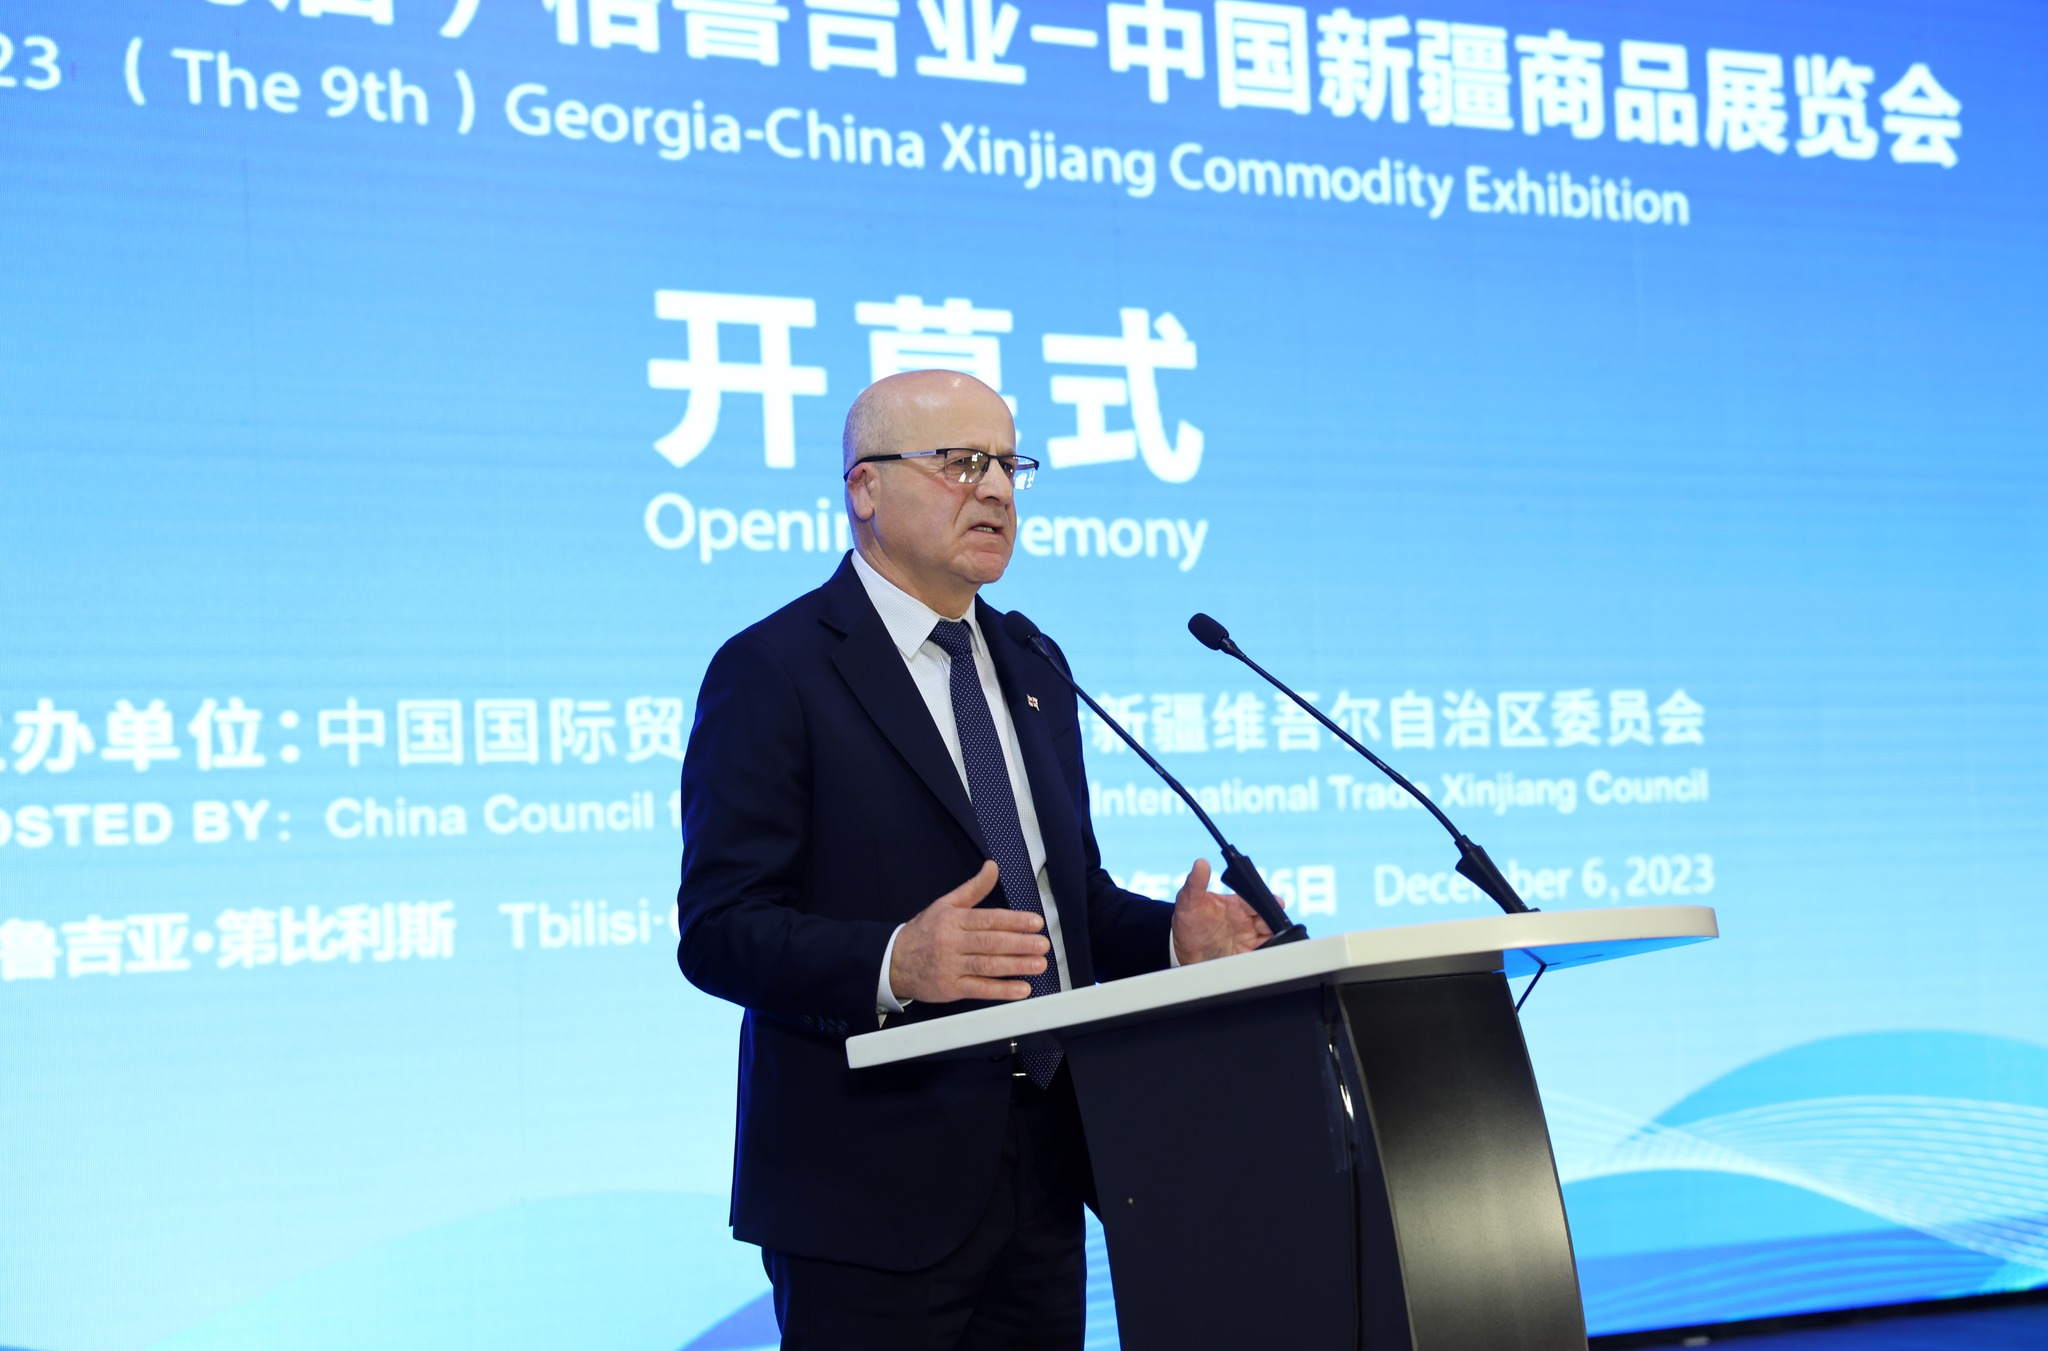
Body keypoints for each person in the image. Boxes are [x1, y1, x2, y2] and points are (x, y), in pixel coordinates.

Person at [675, 369, 1272, 1351]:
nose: (993, 488)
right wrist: (893, 962)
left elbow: (1063, 905)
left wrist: (1172, 941)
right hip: (868, 1193)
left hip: (1047, 1166)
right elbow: (719, 928)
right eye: (959, 463)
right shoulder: (775, 669)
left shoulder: (1032, 662)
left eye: (1006, 464)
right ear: (864, 488)